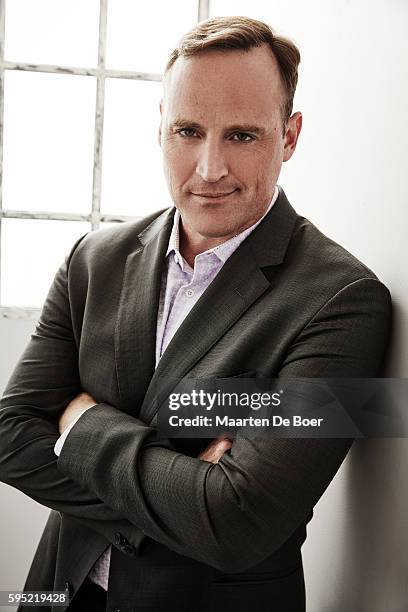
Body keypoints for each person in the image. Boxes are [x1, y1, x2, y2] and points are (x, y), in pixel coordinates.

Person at [0, 16, 391, 612]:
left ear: (289, 136)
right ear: (160, 125)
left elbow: (237, 522)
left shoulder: (343, 301)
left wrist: (79, 424)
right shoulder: (94, 258)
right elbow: (9, 435)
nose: (209, 169)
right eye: (188, 130)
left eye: (242, 135)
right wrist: (182, 489)